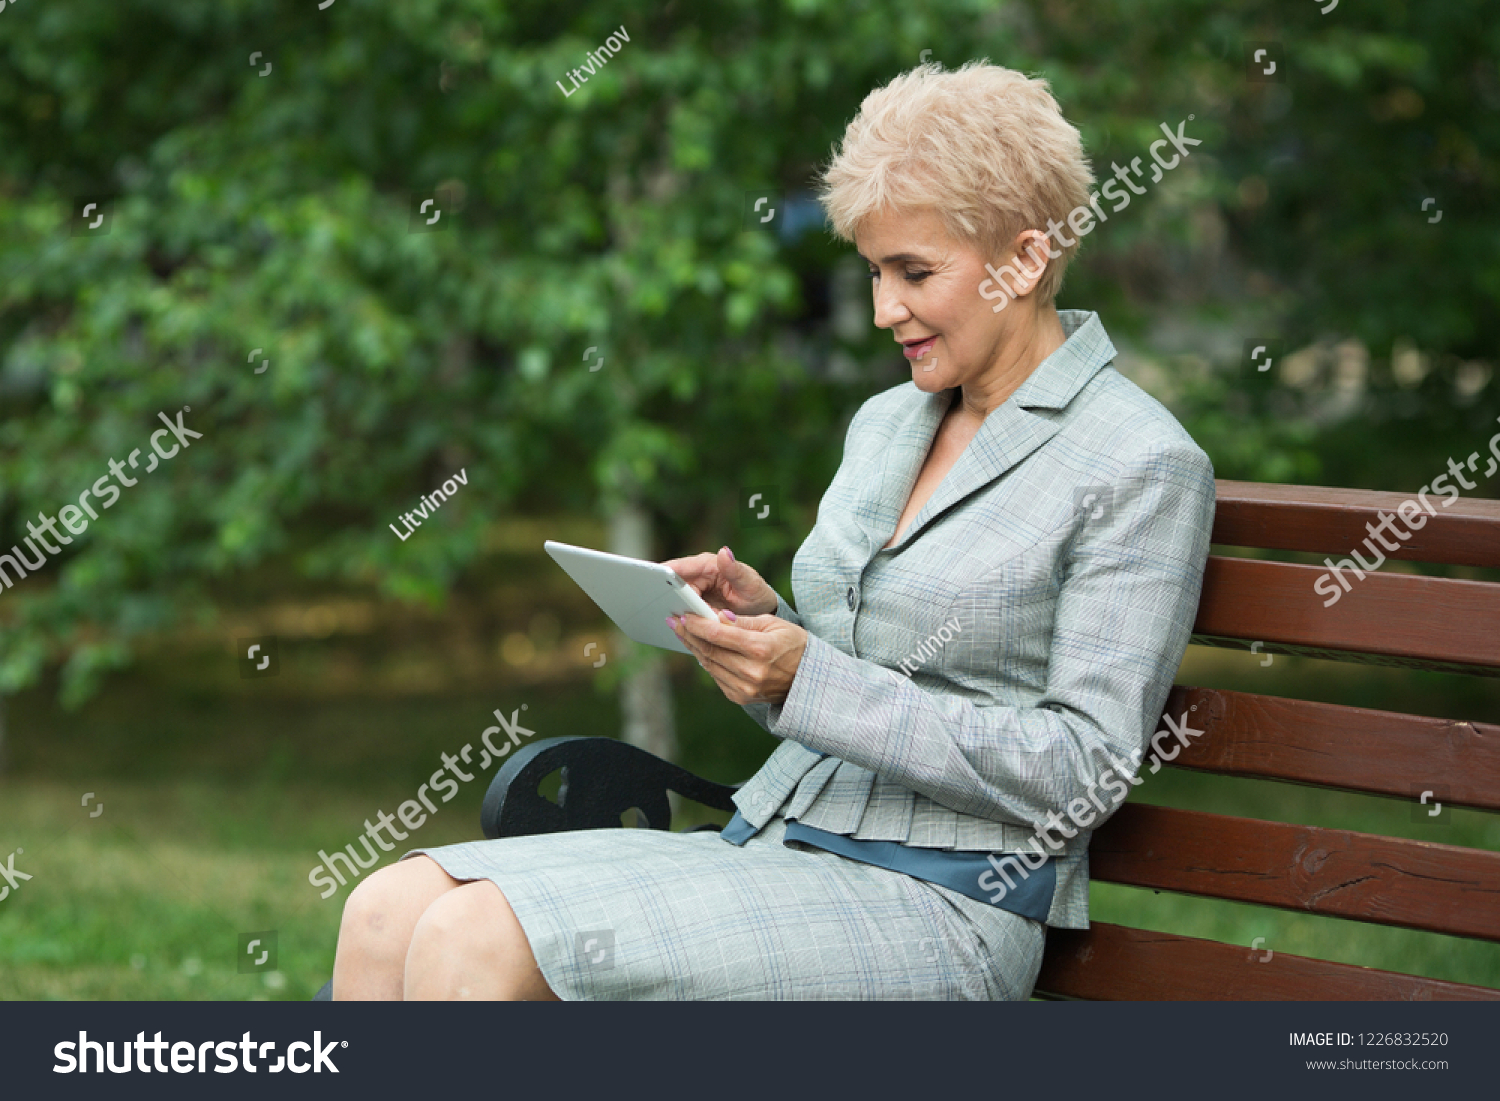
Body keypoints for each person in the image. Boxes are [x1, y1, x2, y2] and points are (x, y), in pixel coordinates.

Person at [330, 60, 1215, 1001]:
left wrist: (811, 678)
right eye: (875, 271)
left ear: (1028, 258)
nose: (885, 310)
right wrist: (763, 630)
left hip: (943, 901)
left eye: (916, 272)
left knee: (473, 938)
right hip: (780, 837)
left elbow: (1086, 766)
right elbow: (848, 678)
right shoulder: (889, 424)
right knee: (388, 905)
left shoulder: (1139, 464)